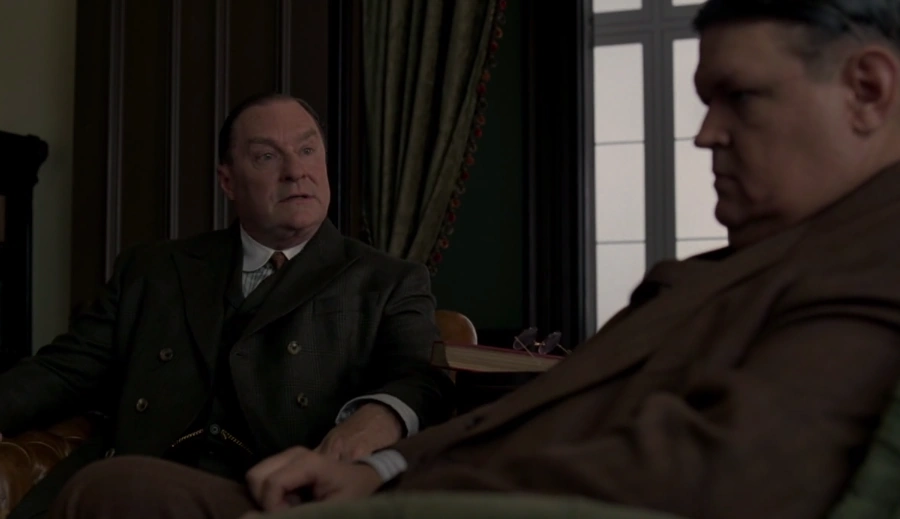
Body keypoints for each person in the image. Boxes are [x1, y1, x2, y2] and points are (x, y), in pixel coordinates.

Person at [45, 0, 900, 518]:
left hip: (458, 500)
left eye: (739, 97)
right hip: (386, 482)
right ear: (228, 181)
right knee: (114, 491)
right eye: (269, 157)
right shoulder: (739, 263)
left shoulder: (872, 256)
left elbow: (721, 470)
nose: (705, 133)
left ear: (868, 89)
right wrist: (380, 472)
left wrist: (387, 475)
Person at [0, 93, 454, 519]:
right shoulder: (154, 270)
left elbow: (421, 379)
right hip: (128, 486)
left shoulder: (388, 281)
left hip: (272, 496)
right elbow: (60, 372)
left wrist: (380, 416)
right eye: (267, 157)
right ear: (228, 181)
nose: (296, 171)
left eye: (307, 150)